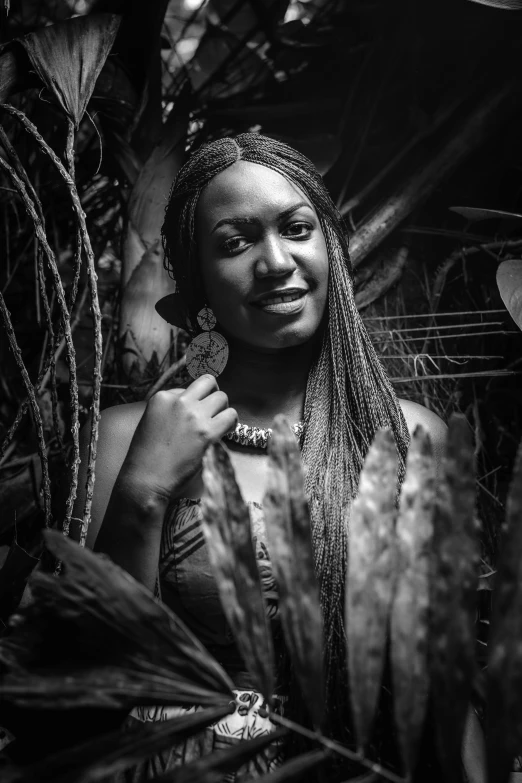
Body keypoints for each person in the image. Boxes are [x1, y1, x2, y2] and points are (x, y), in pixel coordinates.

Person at [74, 134, 447, 781]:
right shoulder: (122, 437)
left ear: (328, 247)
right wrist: (142, 492)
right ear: (199, 290)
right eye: (235, 242)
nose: (275, 261)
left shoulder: (411, 439)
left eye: (296, 228)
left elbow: (441, 688)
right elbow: (86, 693)